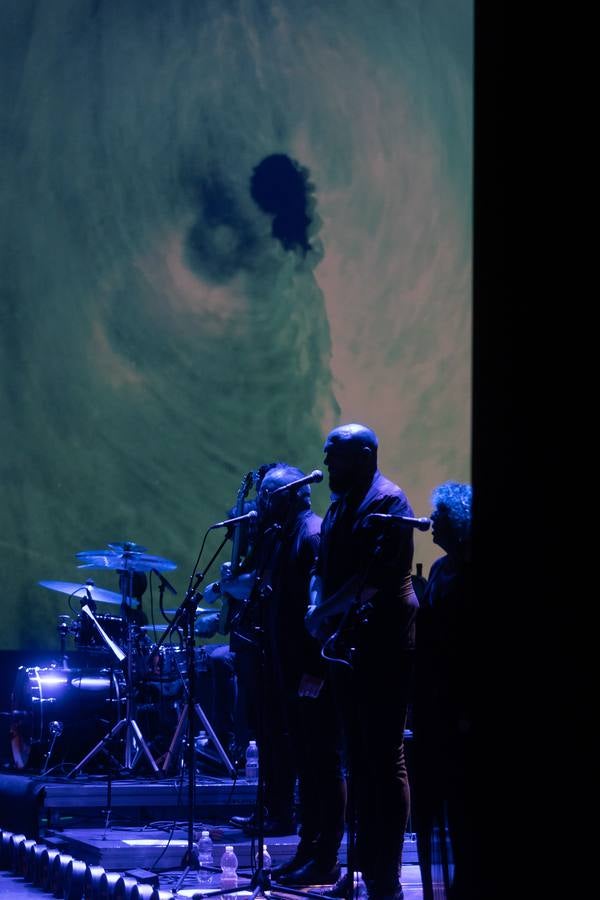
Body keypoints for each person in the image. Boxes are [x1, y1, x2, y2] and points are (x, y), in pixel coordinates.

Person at [306, 423, 418, 900]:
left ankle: (385, 878)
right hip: (346, 643)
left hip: (383, 645)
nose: (327, 464)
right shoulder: (339, 503)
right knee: (357, 760)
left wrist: (323, 612)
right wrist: (317, 607)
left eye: (336, 455)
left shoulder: (389, 504)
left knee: (383, 759)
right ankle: (357, 872)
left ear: (366, 456)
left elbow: (371, 579)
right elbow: (323, 567)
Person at [225, 464, 346, 884]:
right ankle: (308, 849)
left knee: (320, 766)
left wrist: (316, 670)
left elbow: (324, 607)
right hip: (286, 671)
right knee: (306, 765)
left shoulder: (310, 535)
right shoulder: (281, 537)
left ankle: (323, 854)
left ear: (289, 497)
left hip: (309, 673)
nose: (262, 504)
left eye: (268, 496)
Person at [411, 481, 474, 900]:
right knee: (443, 798)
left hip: (461, 694)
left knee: (466, 798)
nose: (432, 527)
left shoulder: (469, 571)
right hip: (435, 696)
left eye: (442, 519)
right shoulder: (439, 569)